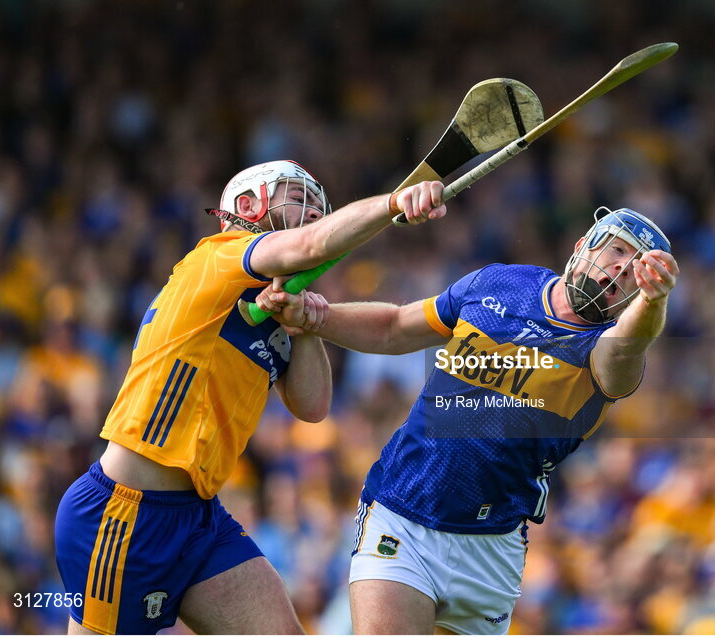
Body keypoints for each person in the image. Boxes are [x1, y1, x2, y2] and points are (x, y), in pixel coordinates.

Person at [53, 159, 447, 635]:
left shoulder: (266, 305)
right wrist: (391, 204)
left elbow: (312, 406)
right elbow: (310, 244)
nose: (313, 216)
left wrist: (303, 327)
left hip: (199, 520)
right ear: (247, 206)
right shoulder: (218, 257)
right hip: (124, 515)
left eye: (317, 209)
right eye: (299, 200)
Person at [257, 205, 679, 634]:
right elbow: (395, 327)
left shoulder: (605, 352)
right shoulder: (501, 282)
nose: (622, 269)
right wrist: (316, 316)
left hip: (491, 549)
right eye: (618, 252)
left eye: (636, 271)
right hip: (403, 512)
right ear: (582, 247)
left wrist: (653, 301)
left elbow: (628, 346)